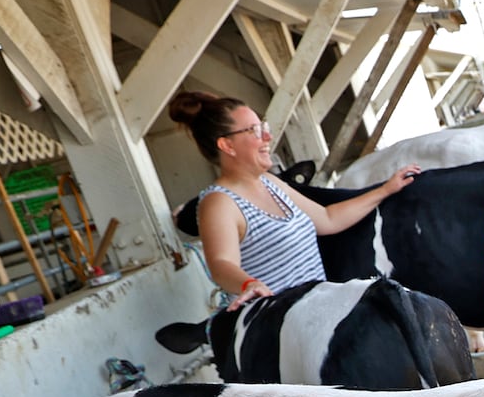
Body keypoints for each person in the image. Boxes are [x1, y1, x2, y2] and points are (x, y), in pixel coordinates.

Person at [169, 90, 420, 309]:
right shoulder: (219, 202)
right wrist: (249, 284)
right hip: (284, 327)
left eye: (263, 127)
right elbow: (221, 263)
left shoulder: (270, 182)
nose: (267, 137)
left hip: (322, 310)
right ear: (227, 145)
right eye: (254, 130)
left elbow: (328, 219)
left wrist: (385, 189)